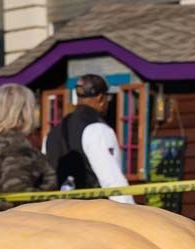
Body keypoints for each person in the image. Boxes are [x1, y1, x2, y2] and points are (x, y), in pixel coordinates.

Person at [0, 83, 58, 217]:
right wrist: (54, 200)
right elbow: (18, 192)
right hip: (9, 226)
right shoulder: (15, 145)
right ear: (24, 111)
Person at [45, 73, 134, 204]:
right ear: (101, 98)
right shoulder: (97, 129)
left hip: (59, 213)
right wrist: (131, 215)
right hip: (93, 214)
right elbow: (112, 181)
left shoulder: (52, 132)